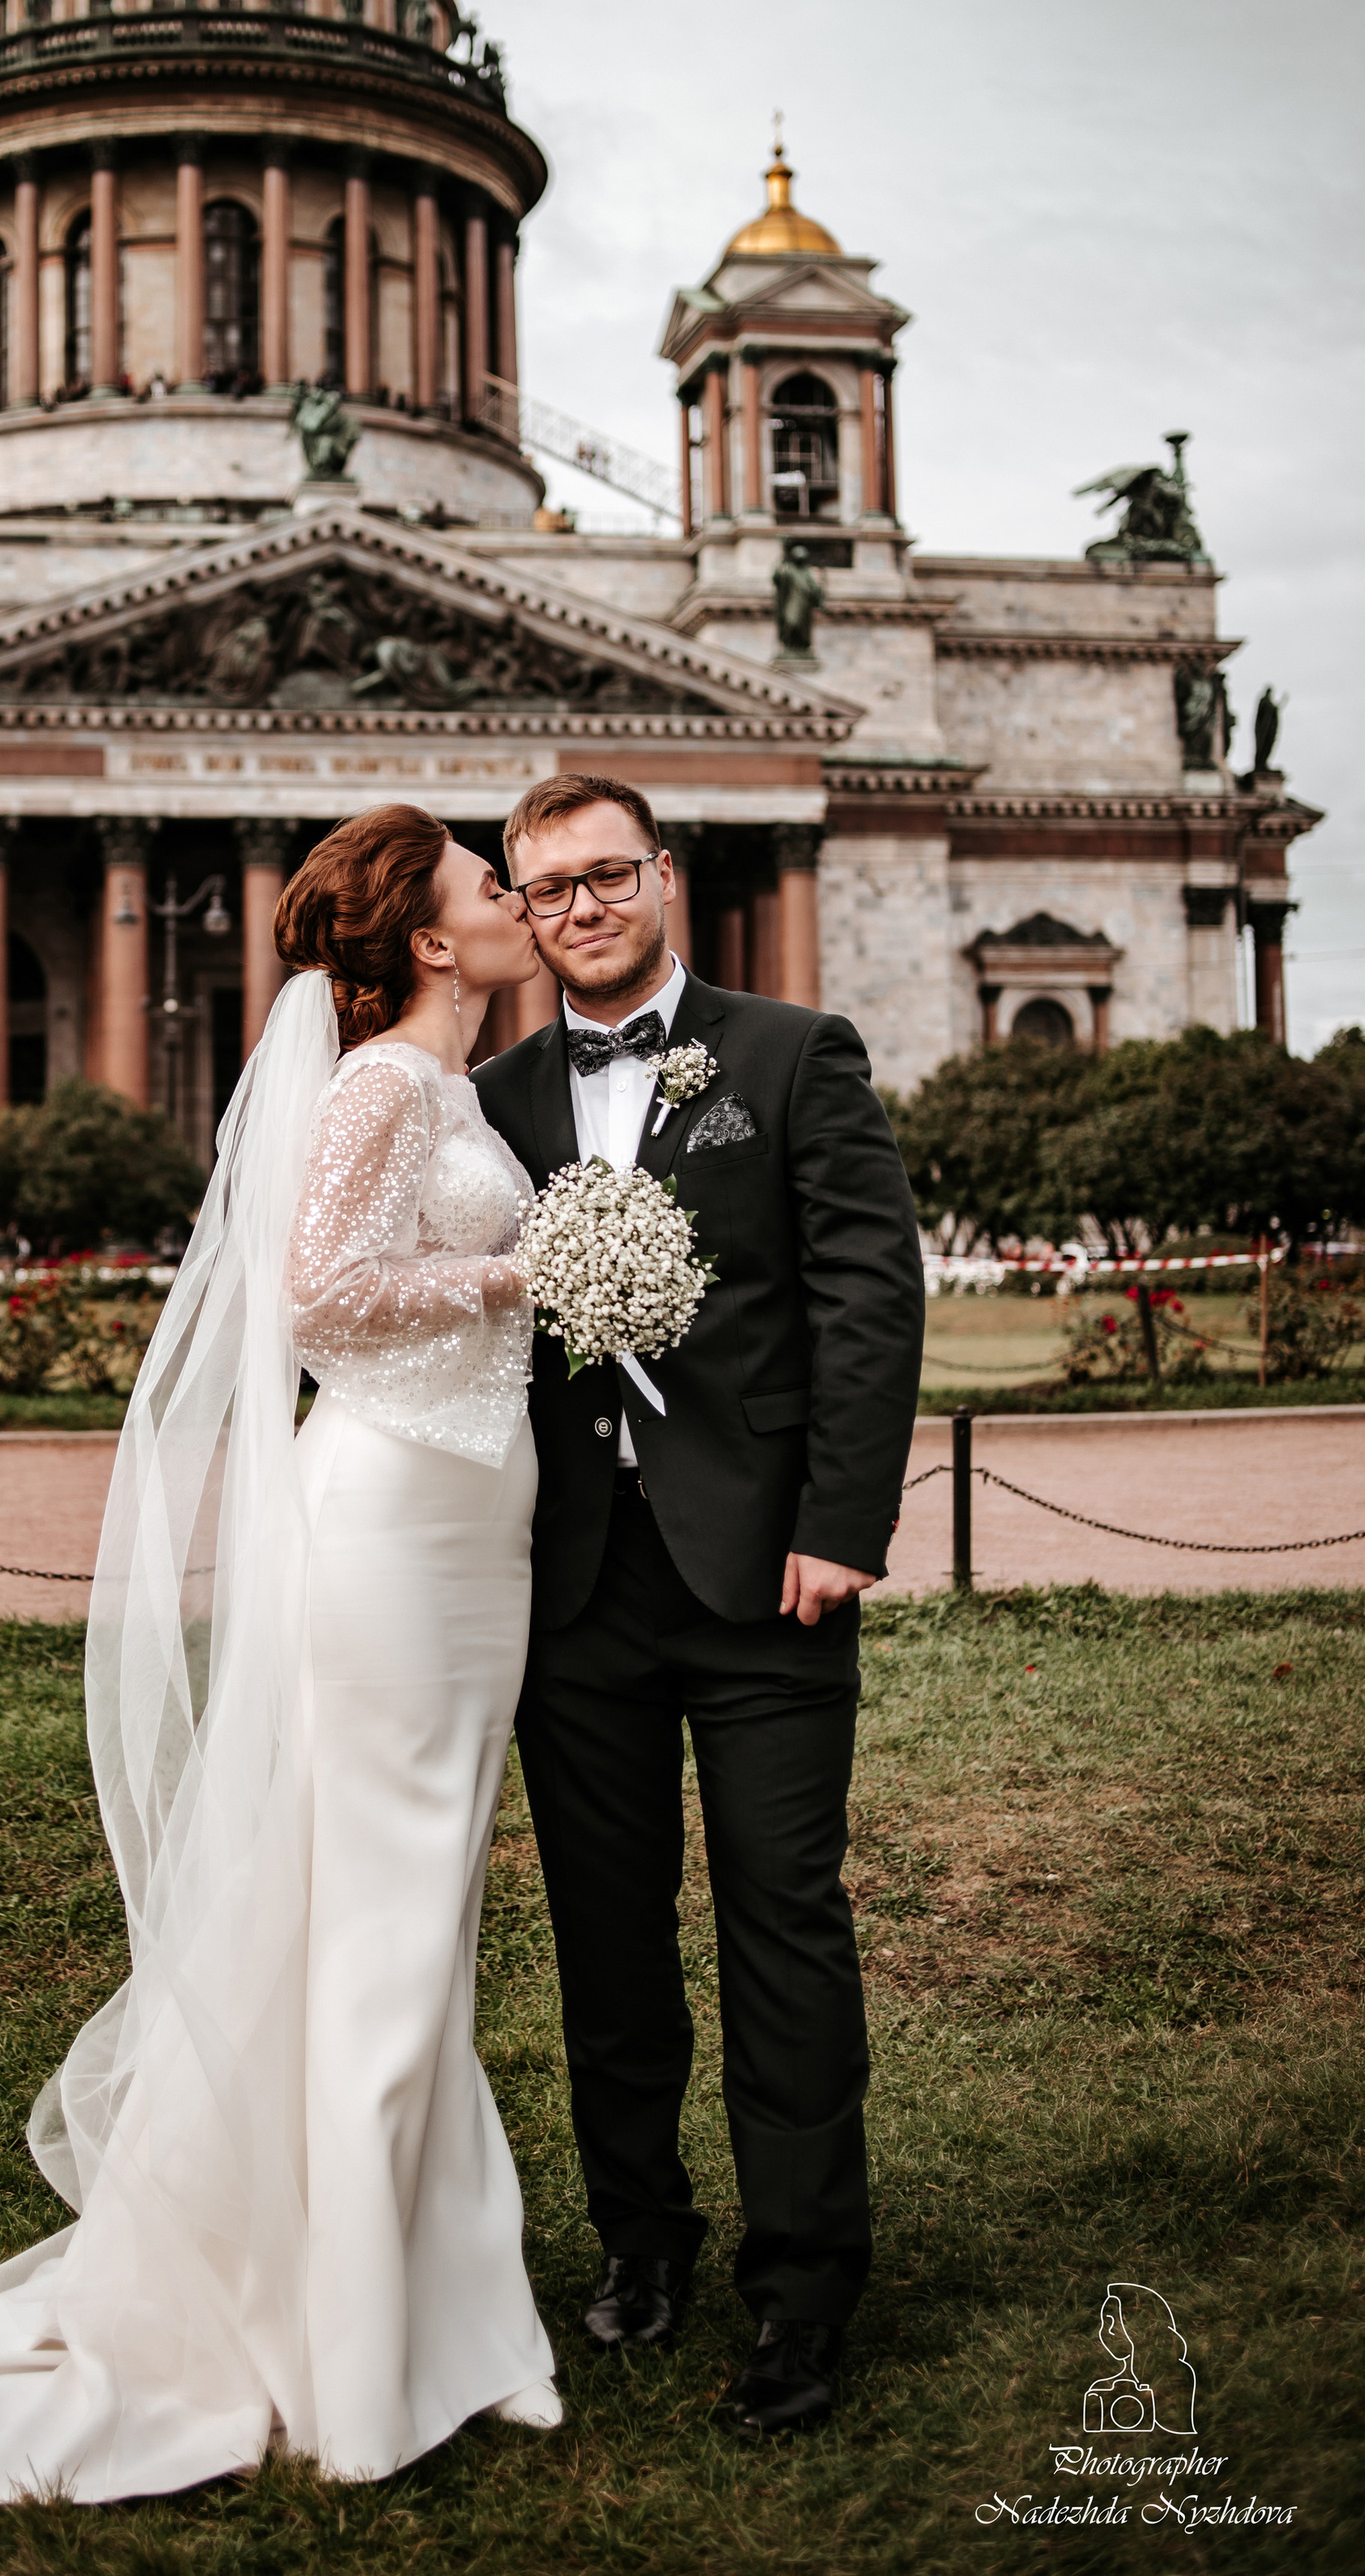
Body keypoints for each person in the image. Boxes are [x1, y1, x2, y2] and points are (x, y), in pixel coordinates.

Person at [0, 804, 558, 2501]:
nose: (517, 902)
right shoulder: (373, 1086)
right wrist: (525, 1271)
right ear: (431, 940)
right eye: (489, 886)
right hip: (387, 1523)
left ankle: (444, 2307)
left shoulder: (444, 1089)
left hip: (463, 1527)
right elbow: (315, 1295)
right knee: (377, 1911)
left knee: (414, 1922)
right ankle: (355, 2354)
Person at [474, 774, 923, 2437]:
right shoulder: (493, 1096)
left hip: (764, 1584)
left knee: (780, 1934)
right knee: (604, 1943)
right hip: (571, 1589)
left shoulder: (791, 1056)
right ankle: (638, 2243)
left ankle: (802, 2290)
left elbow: (866, 1298)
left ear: (662, 878)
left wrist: (840, 1525)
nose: (578, 909)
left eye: (604, 878)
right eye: (546, 891)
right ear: (517, 913)